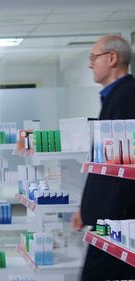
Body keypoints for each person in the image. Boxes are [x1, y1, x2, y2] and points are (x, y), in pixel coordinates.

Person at [71, 35, 135, 280]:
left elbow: (122, 170)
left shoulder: (126, 97)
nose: (90, 64)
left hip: (116, 220)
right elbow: (104, 164)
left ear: (112, 58)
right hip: (109, 218)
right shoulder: (115, 97)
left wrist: (105, 223)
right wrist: (86, 209)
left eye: (93, 58)